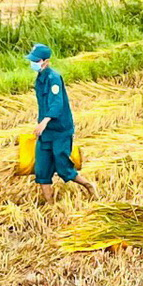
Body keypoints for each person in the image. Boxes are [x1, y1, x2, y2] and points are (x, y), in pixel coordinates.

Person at [26, 43, 95, 203]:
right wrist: (42, 124)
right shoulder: (39, 79)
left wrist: (45, 121)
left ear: (46, 61)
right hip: (46, 132)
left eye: (36, 60)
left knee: (63, 166)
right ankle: (50, 205)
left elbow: (57, 104)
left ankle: (89, 186)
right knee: (42, 169)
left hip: (60, 130)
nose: (33, 63)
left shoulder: (54, 78)